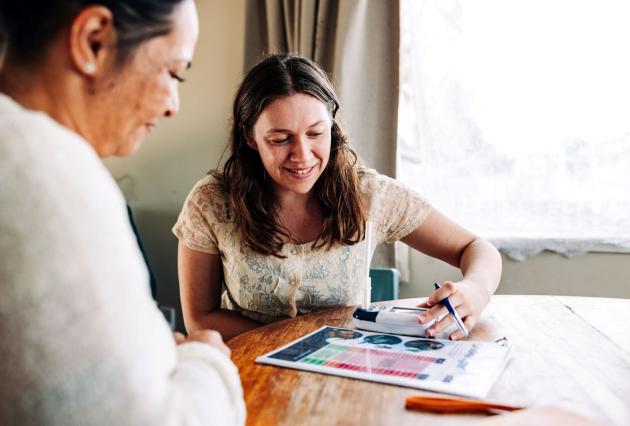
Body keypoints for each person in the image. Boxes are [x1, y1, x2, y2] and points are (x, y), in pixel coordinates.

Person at [0, 1, 244, 424]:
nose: (173, 105)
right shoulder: (49, 174)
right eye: (173, 72)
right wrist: (205, 357)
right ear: (94, 41)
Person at [173, 53, 502, 342]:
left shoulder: (372, 196)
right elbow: (200, 318)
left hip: (342, 373)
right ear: (250, 137)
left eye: (316, 133)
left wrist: (475, 290)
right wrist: (298, 338)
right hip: (250, 370)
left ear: (332, 126)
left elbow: (476, 249)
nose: (302, 155)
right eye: (280, 139)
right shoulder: (211, 203)